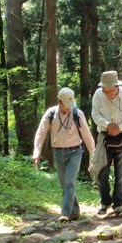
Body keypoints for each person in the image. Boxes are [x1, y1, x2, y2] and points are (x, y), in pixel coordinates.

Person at [32, 87, 95, 223]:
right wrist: (36, 151)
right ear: (59, 102)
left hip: (75, 152)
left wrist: (93, 154)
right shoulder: (51, 114)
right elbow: (41, 132)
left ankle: (65, 213)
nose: (68, 108)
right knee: (65, 184)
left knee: (69, 181)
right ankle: (75, 211)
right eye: (66, 105)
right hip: (58, 153)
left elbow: (87, 135)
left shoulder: (78, 113)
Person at [91, 70, 122, 217]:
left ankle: (119, 205)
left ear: (117, 86)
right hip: (104, 137)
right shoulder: (98, 95)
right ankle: (105, 202)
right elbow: (95, 114)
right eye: (105, 89)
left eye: (110, 90)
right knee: (101, 171)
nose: (108, 93)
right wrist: (108, 125)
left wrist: (119, 127)